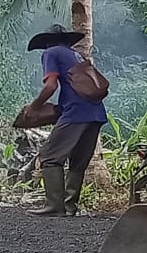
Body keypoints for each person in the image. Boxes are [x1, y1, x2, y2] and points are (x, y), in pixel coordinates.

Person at [25, 24, 107, 217]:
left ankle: (54, 206)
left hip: (76, 113)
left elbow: (50, 86)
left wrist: (34, 106)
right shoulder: (78, 55)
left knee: (50, 157)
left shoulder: (51, 53)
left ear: (47, 42)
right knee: (78, 161)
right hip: (96, 113)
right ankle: (70, 206)